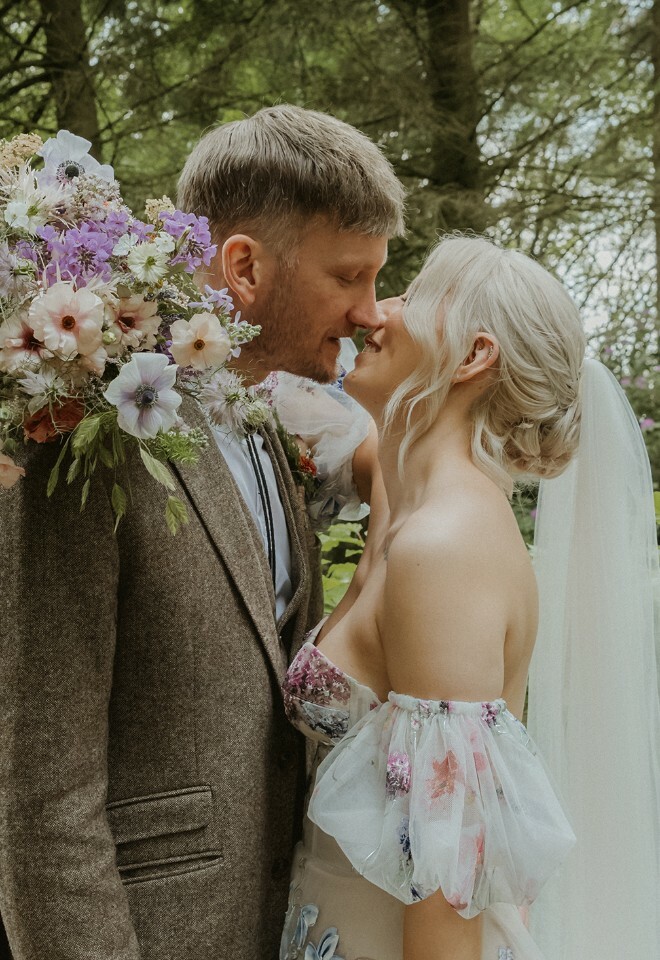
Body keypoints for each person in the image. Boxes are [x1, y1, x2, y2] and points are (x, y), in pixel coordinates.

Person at [0, 105, 404, 960]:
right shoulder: (87, 431)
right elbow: (39, 793)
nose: (370, 312)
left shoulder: (266, 419)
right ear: (245, 266)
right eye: (349, 277)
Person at [279, 235, 660, 959]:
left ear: (474, 356)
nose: (376, 311)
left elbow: (449, 877)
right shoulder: (414, 505)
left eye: (413, 295)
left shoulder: (444, 549)